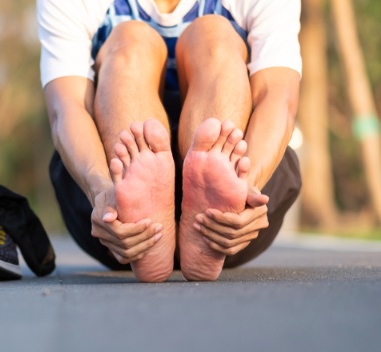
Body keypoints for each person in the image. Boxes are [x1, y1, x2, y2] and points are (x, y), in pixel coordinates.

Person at [39, 0, 302, 282]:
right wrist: (101, 192)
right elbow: (66, 109)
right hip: (114, 226)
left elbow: (278, 99)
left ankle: (217, 195)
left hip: (233, 226)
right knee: (131, 42)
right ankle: (138, 213)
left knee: (214, 36)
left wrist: (248, 190)